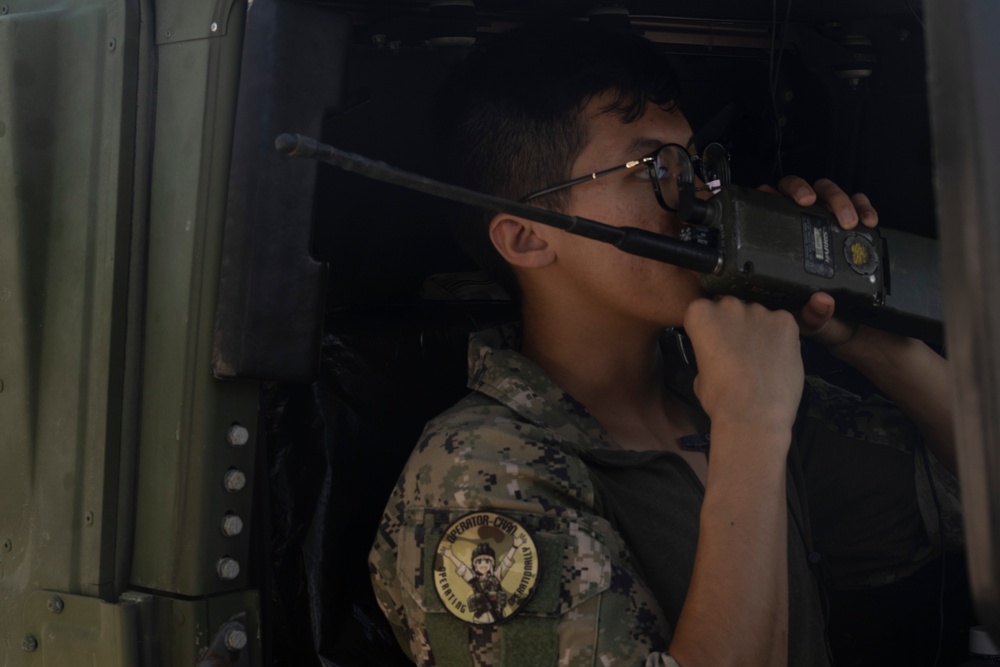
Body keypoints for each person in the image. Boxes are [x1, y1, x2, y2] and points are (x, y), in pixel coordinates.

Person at [368, 20, 962, 667]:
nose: (702, 199)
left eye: (698, 165)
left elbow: (973, 495)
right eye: (656, 168)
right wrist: (752, 429)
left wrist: (865, 331)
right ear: (529, 238)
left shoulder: (715, 395)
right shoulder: (474, 480)